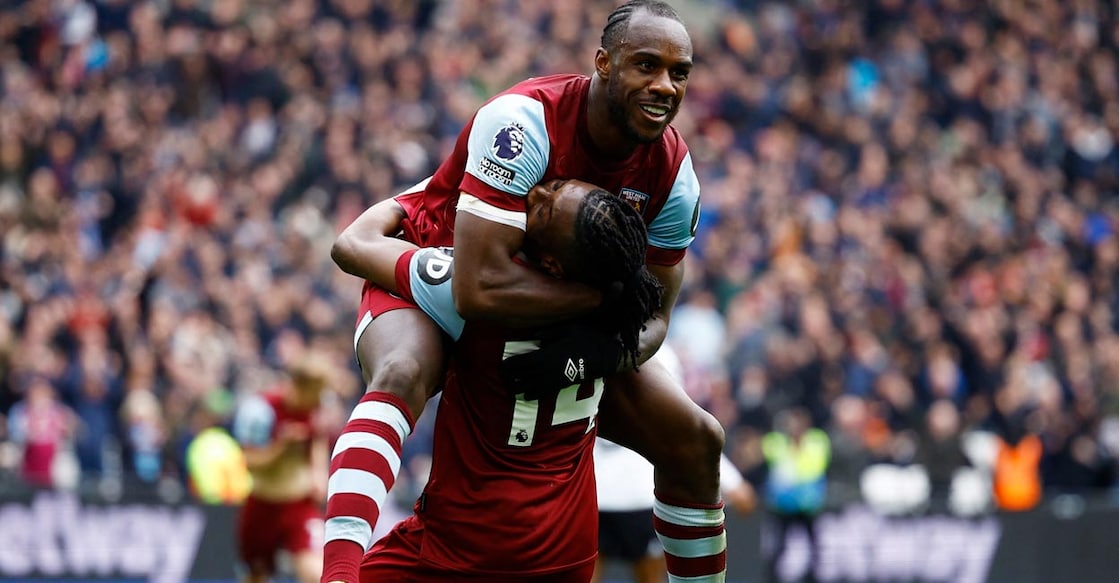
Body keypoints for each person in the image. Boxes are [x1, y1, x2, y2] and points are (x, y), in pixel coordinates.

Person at [324, 2, 726, 582]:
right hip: (443, 270)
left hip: (547, 296)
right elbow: (478, 290)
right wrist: (604, 306)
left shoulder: (675, 179)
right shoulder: (523, 123)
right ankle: (337, 573)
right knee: (405, 371)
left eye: (679, 72)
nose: (664, 85)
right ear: (603, 64)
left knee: (695, 437)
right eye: (646, 66)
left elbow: (655, 320)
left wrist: (598, 353)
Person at [331, 179, 662, 580]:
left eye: (546, 210)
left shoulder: (475, 295)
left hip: (468, 541)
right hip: (567, 547)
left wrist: (415, 197)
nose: (535, 195)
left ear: (554, 264)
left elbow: (353, 245)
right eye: (554, 185)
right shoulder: (619, 313)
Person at [592, 345, 756, 583]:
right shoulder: (659, 353)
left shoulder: (585, 340)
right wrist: (733, 482)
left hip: (603, 495)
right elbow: (683, 428)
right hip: (630, 496)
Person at [232, 354, 331, 583]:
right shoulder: (260, 410)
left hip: (299, 503)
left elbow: (317, 439)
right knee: (256, 575)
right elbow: (248, 462)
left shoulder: (315, 407)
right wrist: (281, 447)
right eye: (315, 392)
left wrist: (318, 474)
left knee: (314, 572)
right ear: (299, 386)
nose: (319, 400)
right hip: (262, 503)